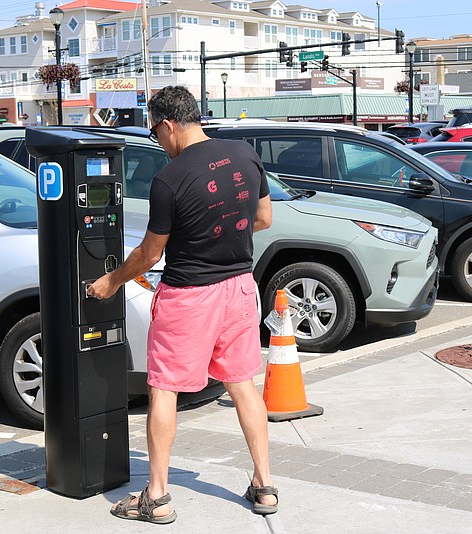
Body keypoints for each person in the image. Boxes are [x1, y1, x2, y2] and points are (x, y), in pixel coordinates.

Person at [87, 85, 275, 524]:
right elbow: (264, 219)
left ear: (168, 124)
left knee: (165, 389)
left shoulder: (168, 179)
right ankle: (264, 485)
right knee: (243, 383)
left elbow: (151, 254)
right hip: (240, 288)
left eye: (155, 132)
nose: (157, 141)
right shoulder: (245, 154)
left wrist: (112, 281)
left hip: (189, 297)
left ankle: (157, 496)